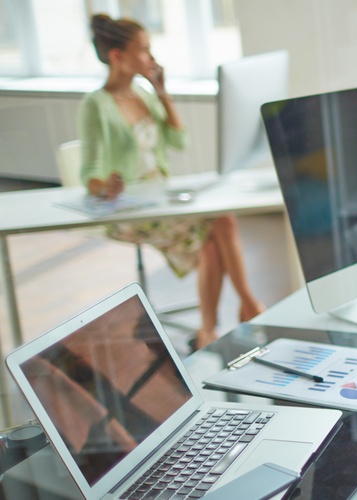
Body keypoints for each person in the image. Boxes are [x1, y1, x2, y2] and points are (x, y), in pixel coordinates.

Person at [81, 14, 265, 350]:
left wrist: (162, 93)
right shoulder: (96, 104)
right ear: (117, 56)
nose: (151, 58)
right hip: (126, 209)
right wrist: (105, 187)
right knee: (220, 223)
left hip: (160, 197)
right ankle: (248, 307)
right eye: (143, 50)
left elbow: (179, 141)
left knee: (216, 231)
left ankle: (209, 330)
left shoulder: (144, 95)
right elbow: (88, 173)